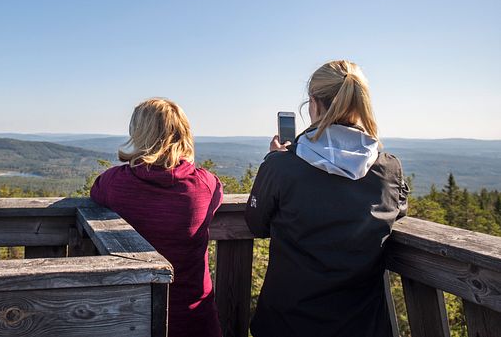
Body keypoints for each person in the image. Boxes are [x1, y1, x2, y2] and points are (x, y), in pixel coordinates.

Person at [245, 60, 409, 337]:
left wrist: (273, 159)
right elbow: (398, 210)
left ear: (314, 103)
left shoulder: (282, 167)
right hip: (362, 325)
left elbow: (256, 224)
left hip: (288, 322)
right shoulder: (388, 168)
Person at [90, 98, 223, 337]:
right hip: (193, 317)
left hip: (131, 316)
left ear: (138, 134)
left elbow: (95, 193)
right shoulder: (205, 184)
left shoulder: (112, 183)